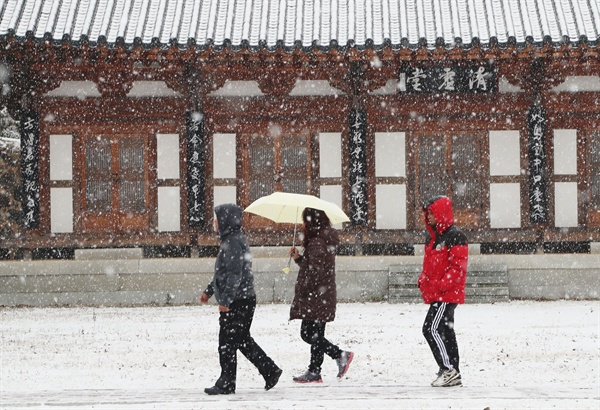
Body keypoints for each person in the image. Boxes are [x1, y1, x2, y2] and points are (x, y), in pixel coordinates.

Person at [200, 203, 282, 395]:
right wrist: (209, 291)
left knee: (227, 343)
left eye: (216, 219)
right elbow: (224, 274)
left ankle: (228, 382)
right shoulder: (232, 240)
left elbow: (234, 275)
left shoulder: (233, 243)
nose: (214, 222)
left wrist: (226, 301)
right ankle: (270, 371)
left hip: (239, 301)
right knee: (241, 341)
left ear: (225, 220)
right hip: (242, 299)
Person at [288, 207, 354, 383]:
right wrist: (298, 259)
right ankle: (315, 370)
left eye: (305, 221)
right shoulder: (322, 238)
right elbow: (315, 267)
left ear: (311, 222)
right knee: (317, 333)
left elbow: (315, 271)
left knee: (307, 333)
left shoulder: (317, 241)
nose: (303, 225)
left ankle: (340, 354)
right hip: (322, 294)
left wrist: (303, 289)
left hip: (316, 295)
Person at [418, 195, 468, 387]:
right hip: (440, 292)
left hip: (446, 294)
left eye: (431, 212)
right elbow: (429, 265)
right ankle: (450, 370)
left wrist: (440, 285)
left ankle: (449, 370)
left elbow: (457, 268)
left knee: (430, 328)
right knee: (446, 331)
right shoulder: (432, 237)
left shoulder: (456, 236)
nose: (428, 216)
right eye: (427, 213)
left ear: (440, 213)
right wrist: (423, 280)